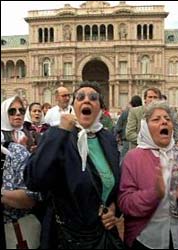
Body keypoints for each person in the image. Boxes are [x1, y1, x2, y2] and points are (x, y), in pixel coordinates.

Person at [24, 82, 124, 249]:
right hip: (68, 237)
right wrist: (60, 132)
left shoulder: (107, 139)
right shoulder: (60, 136)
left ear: (100, 108)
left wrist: (114, 208)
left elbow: (113, 182)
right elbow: (35, 179)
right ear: (74, 107)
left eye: (93, 98)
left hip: (102, 234)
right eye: (80, 97)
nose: (86, 100)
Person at [118, 101, 178, 249]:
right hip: (144, 241)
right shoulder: (133, 158)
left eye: (167, 119)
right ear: (145, 127)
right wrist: (155, 194)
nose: (164, 121)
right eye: (156, 119)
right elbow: (125, 204)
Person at [1, 96, 41, 249]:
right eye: (12, 111)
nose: (17, 114)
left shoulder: (27, 139)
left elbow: (31, 196)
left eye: (21, 111)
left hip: (14, 225)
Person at [114, 95, 142, 163]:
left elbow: (118, 127)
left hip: (127, 142)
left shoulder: (126, 113)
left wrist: (116, 137)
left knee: (123, 162)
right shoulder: (143, 112)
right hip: (140, 142)